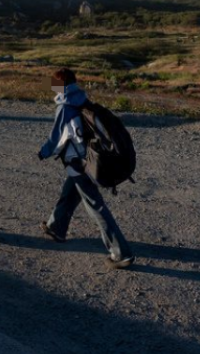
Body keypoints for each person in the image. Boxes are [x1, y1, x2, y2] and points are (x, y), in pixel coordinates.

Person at [38, 68, 134, 269]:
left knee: (95, 206)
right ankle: (56, 228)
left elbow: (56, 138)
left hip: (80, 163)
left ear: (60, 85)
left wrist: (43, 152)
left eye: (53, 83)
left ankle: (120, 253)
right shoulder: (81, 98)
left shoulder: (65, 106)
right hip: (89, 160)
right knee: (70, 192)